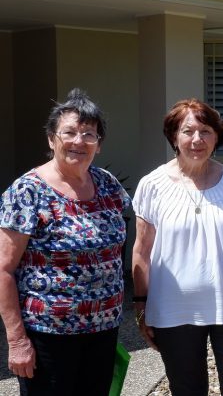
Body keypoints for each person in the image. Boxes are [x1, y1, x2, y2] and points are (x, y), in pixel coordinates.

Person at [132, 99, 223, 396]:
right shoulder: (152, 185)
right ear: (174, 137)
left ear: (216, 136)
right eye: (188, 131)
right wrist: (141, 304)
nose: (197, 139)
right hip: (173, 311)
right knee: (187, 390)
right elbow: (141, 251)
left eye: (205, 131)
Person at [0, 88, 130, 395]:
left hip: (103, 330)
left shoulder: (107, 184)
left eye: (89, 134)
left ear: (98, 144)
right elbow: (3, 269)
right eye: (69, 132)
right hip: (48, 335)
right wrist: (17, 341)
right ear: (51, 139)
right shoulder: (27, 192)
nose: (78, 141)